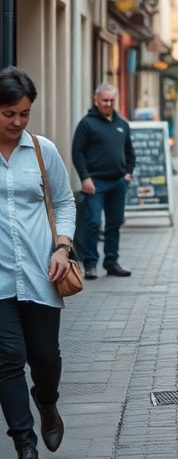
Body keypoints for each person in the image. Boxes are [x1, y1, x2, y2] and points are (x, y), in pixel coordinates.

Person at [0, 67, 75, 458]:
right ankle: (24, 443)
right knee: (8, 358)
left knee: (45, 358)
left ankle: (47, 402)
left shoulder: (43, 151)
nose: (17, 121)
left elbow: (64, 202)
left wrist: (62, 247)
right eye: (8, 113)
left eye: (24, 113)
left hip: (41, 273)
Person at [71, 84, 135, 280]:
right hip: (95, 183)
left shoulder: (122, 124)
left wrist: (128, 173)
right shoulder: (87, 124)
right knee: (93, 222)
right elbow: (77, 153)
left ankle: (111, 262)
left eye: (112, 100)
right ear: (96, 101)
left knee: (114, 224)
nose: (109, 104)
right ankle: (90, 264)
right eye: (105, 100)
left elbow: (129, 152)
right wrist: (85, 177)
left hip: (118, 182)